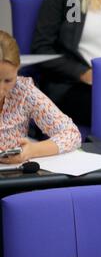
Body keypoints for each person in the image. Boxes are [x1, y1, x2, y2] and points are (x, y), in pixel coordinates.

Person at [0, 30, 81, 164]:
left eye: (8, 80)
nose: (1, 90)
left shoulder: (23, 91)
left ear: (17, 70)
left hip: (14, 176)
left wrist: (32, 150)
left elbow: (71, 133)